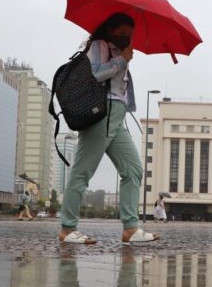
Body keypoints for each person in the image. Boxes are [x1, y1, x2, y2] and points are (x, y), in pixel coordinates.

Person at [58, 13, 160, 245]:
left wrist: (123, 59)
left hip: (118, 114)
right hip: (101, 114)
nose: (127, 37)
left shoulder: (116, 49)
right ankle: (67, 228)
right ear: (112, 29)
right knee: (82, 171)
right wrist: (122, 60)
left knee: (133, 169)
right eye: (123, 32)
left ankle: (130, 229)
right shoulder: (99, 45)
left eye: (130, 34)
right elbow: (98, 73)